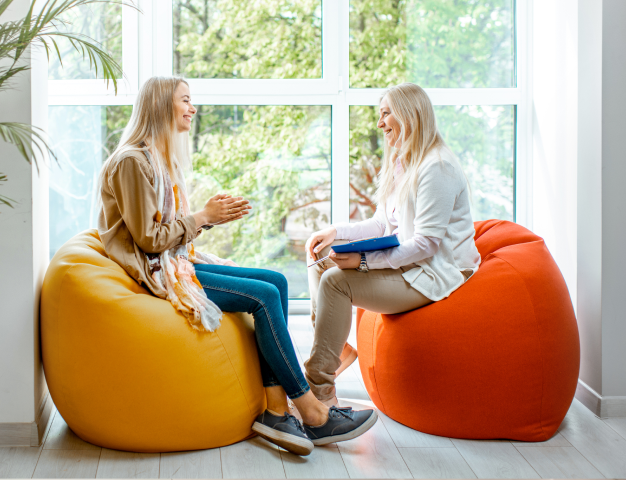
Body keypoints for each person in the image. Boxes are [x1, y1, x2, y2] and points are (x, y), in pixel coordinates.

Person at [97, 76, 377, 456]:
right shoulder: (132, 161)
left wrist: (210, 218)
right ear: (162, 105)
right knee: (261, 297)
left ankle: (277, 411)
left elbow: (168, 235)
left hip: (173, 261)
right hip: (155, 272)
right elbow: (149, 240)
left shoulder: (157, 160)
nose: (192, 108)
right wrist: (202, 216)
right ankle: (311, 410)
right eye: (185, 100)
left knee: (276, 281)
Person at [304, 83, 481, 407]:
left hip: (435, 273)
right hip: (413, 264)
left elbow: (426, 244)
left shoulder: (436, 167)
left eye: (386, 113)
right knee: (320, 258)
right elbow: (383, 225)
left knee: (335, 282)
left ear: (409, 115)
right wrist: (335, 232)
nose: (380, 123)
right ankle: (336, 348)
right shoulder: (403, 163)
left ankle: (319, 393)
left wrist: (363, 262)